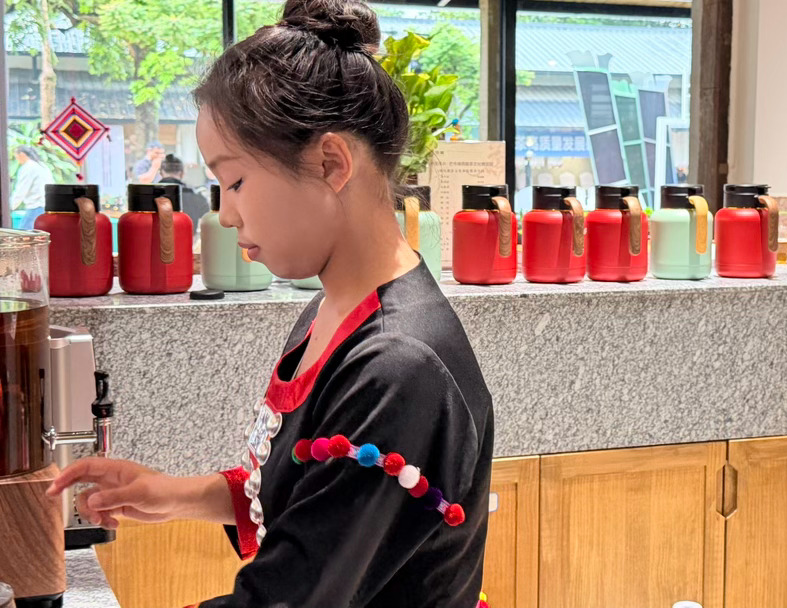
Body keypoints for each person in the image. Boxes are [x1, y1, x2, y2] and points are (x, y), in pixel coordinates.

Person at [47, 1, 494, 606]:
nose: (227, 213)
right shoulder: (333, 312)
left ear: (331, 163)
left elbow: (290, 594)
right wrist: (175, 494)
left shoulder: (400, 366)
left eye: (235, 182)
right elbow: (309, 492)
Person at [159, 153, 211, 230]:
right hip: (187, 237)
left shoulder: (149, 195)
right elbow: (207, 220)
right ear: (182, 173)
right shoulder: (196, 197)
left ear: (161, 173)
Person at [10, 145, 54, 230]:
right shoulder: (42, 166)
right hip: (47, 207)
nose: (17, 160)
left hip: (36, 208)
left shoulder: (28, 167)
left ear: (22, 154)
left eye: (16, 157)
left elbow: (21, 191)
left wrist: (9, 207)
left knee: (24, 235)